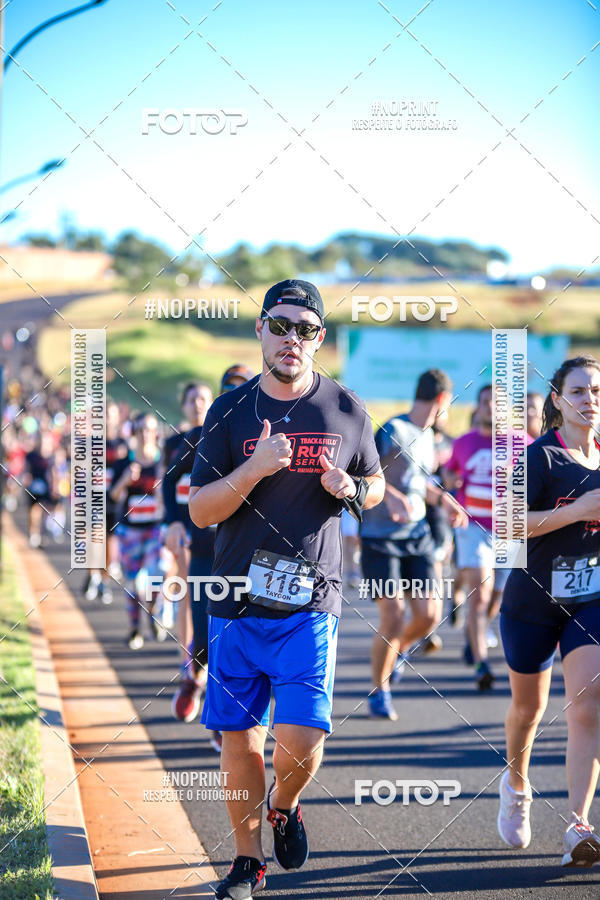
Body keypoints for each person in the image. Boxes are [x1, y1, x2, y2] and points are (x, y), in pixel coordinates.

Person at [189, 278, 384, 899]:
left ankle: (283, 805)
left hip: (311, 601)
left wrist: (352, 489)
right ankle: (247, 862)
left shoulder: (347, 409)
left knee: (301, 740)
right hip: (234, 601)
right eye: (280, 325)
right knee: (239, 739)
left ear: (319, 339)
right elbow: (201, 510)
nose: (291, 338)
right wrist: (254, 468)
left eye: (305, 329)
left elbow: (375, 483)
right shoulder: (229, 412)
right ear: (260, 330)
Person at [497, 356, 600, 867]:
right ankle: (516, 785)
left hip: (590, 599)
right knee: (528, 711)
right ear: (558, 400)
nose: (590, 400)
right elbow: (507, 526)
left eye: (596, 391)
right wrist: (577, 511)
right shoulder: (539, 458)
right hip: (532, 602)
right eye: (578, 391)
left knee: (588, 705)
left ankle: (579, 824)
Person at [360, 369, 466, 720]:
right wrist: (389, 495)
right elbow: (361, 472)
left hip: (417, 537)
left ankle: (398, 652)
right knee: (393, 616)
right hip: (380, 540)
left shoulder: (427, 436)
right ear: (441, 400)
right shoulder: (394, 430)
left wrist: (445, 500)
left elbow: (420, 486)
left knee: (429, 616)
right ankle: (379, 690)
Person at [443, 385, 510, 690]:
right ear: (478, 407)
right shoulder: (464, 442)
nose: (490, 407)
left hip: (511, 529)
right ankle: (482, 663)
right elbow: (448, 474)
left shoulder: (522, 443)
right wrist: (450, 479)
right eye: (485, 402)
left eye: (497, 402)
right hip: (473, 527)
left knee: (497, 595)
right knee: (480, 595)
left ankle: (474, 634)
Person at [162, 381, 214, 723]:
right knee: (188, 594)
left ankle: (213, 687)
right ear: (183, 404)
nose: (198, 404)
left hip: (225, 536)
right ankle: (191, 667)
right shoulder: (177, 442)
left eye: (203, 399)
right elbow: (167, 482)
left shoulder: (236, 433)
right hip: (189, 530)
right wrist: (173, 524)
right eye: (192, 399)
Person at [110, 413, 164, 649]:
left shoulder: (163, 463)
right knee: (132, 583)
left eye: (149, 429)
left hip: (154, 530)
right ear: (134, 433)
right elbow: (113, 496)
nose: (145, 434)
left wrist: (162, 487)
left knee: (155, 576)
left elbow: (172, 499)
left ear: (156, 433)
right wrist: (124, 480)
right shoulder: (125, 462)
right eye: (140, 429)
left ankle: (152, 612)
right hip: (130, 532)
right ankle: (135, 629)